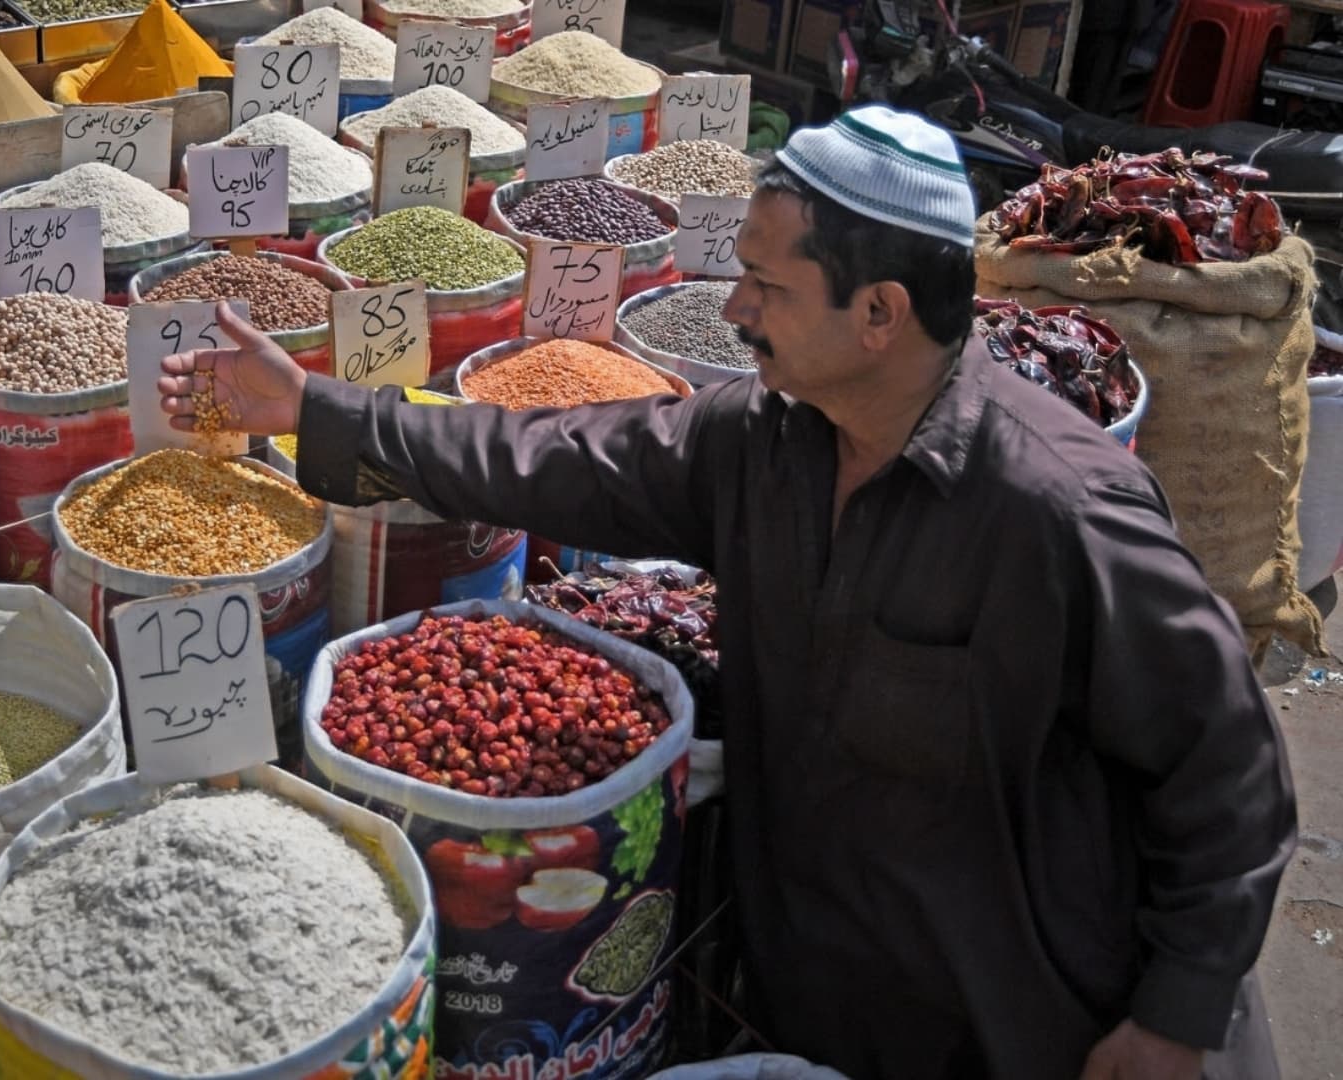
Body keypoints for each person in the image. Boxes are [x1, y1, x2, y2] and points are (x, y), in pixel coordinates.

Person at [156, 106, 1297, 1080]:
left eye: (765, 283)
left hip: (1015, 1008)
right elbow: (554, 459)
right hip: (824, 976)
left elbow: (1230, 772)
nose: (735, 308)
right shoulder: (765, 439)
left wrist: (1174, 1015)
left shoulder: (1059, 509)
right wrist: (313, 411)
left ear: (881, 313)